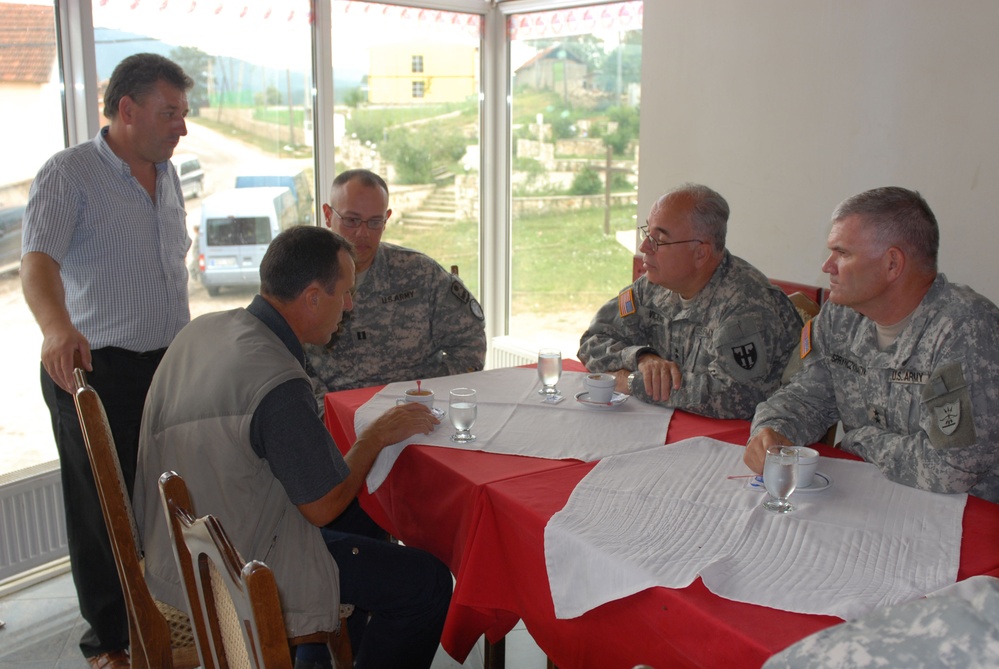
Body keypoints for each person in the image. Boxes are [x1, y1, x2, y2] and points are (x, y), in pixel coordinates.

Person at [134, 226, 452, 669]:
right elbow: (322, 506)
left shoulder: (202, 332)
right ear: (313, 297)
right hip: (246, 568)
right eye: (345, 293)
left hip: (183, 545)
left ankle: (323, 650)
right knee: (428, 583)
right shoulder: (275, 379)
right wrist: (375, 437)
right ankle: (323, 639)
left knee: (367, 513)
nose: (350, 306)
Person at [20, 53, 193, 669]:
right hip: (96, 366)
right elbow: (36, 262)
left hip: (170, 365)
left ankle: (177, 615)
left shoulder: (166, 173)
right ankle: (111, 642)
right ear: (127, 111)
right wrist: (56, 327)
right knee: (102, 511)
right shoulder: (69, 174)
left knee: (171, 498)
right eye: (169, 113)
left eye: (183, 113)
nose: (181, 127)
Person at [745, 187, 999, 503]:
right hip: (872, 496)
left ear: (892, 263)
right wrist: (770, 431)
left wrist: (862, 441)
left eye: (842, 253)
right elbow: (807, 396)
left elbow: (951, 467)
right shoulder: (840, 316)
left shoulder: (965, 328)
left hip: (962, 516)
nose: (827, 266)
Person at [577, 183, 802, 420]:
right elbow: (592, 342)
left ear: (700, 253)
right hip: (673, 423)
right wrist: (642, 357)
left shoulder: (745, 303)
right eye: (647, 234)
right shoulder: (653, 285)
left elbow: (736, 397)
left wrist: (632, 382)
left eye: (659, 240)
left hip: (742, 443)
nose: (644, 247)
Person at [305, 169, 485, 410]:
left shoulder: (419, 273)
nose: (362, 233)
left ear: (387, 219)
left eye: (375, 222)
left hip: (418, 417)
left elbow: (470, 343)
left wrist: (429, 397)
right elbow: (288, 361)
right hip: (339, 424)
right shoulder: (303, 279)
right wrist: (329, 415)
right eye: (351, 220)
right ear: (328, 215)